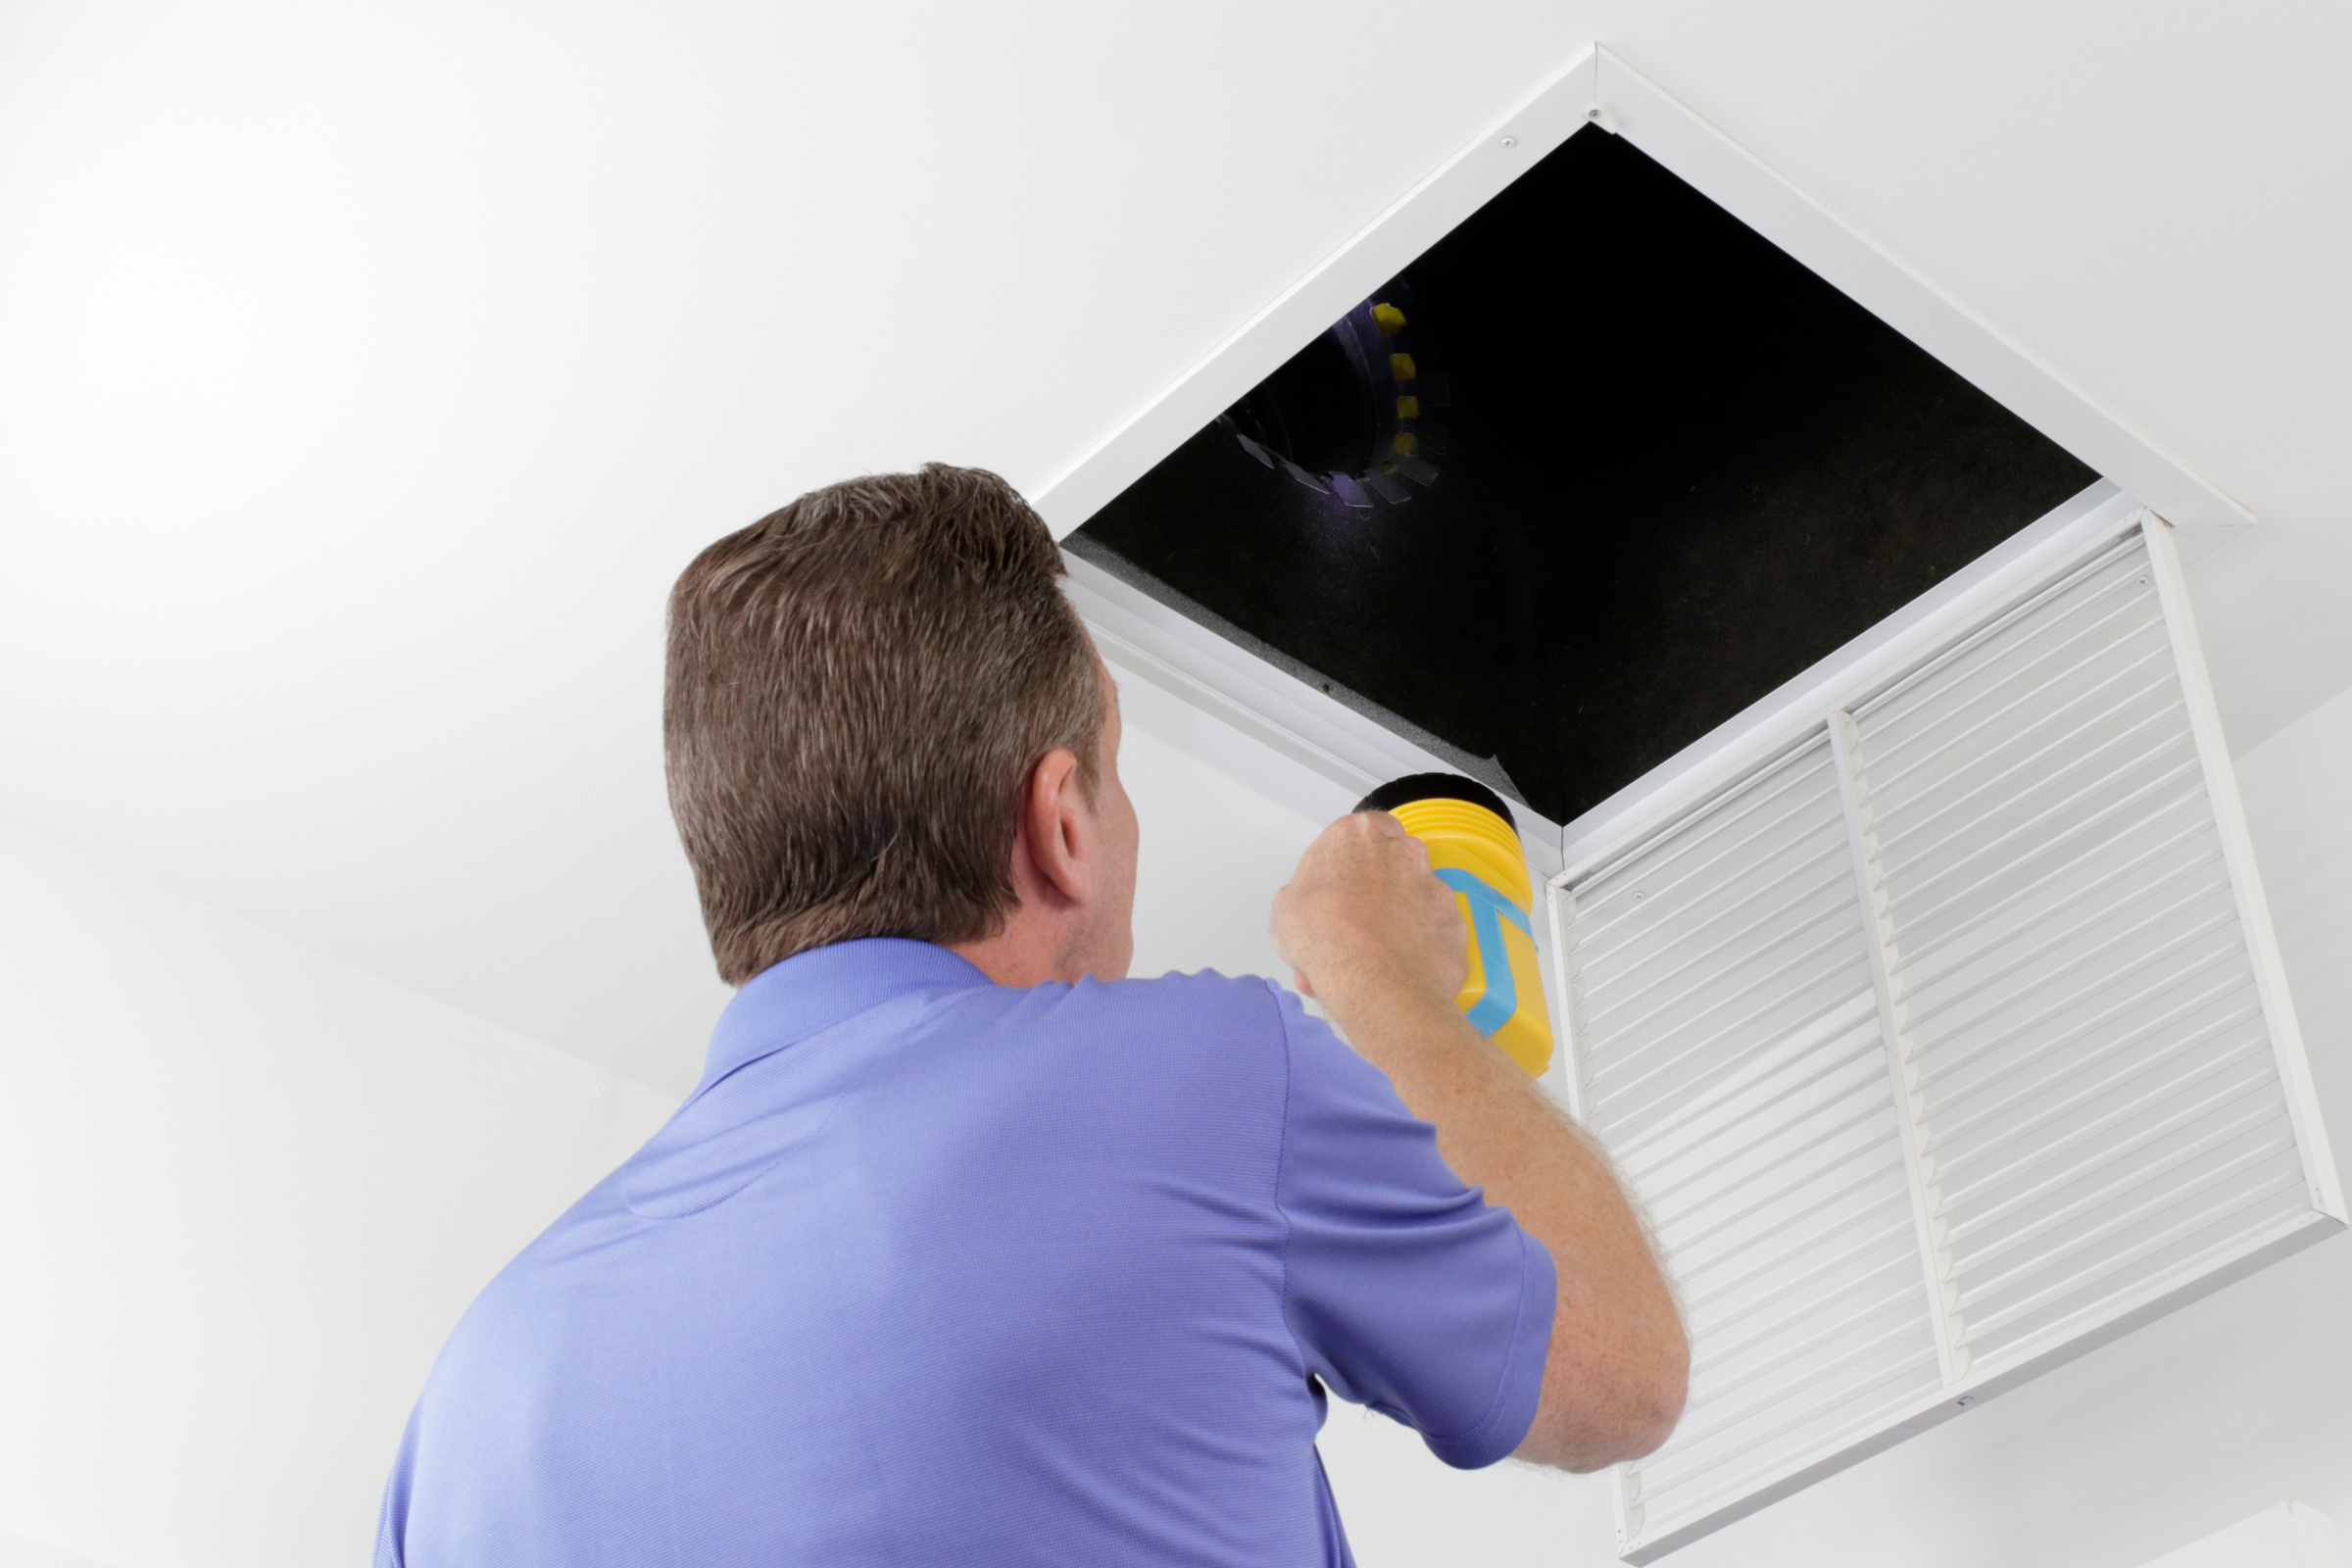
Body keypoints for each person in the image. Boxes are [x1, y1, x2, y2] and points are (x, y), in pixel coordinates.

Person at [372, 465, 1687, 1567]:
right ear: (1062, 825)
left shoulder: (470, 1400)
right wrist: (1376, 968)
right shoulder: (1202, 1079)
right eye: (1113, 784)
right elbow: (1620, 1376)